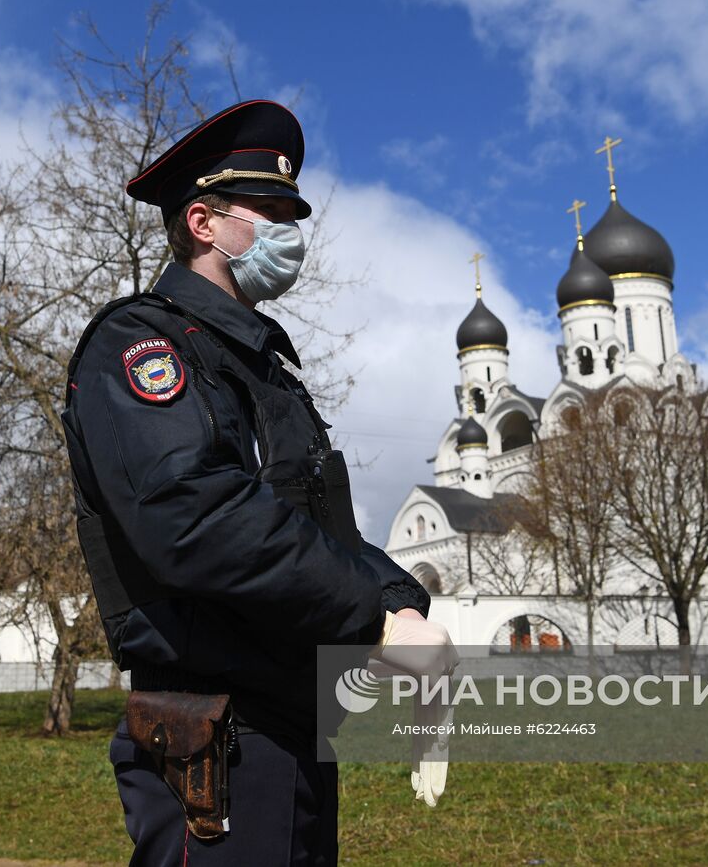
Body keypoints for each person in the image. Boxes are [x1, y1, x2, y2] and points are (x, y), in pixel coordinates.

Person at [61, 99, 456, 865]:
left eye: (292, 213)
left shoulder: (265, 372)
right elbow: (195, 514)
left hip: (291, 728)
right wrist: (373, 621)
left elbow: (320, 533)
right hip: (215, 737)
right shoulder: (141, 344)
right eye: (270, 211)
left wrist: (402, 602)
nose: (290, 230)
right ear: (203, 222)